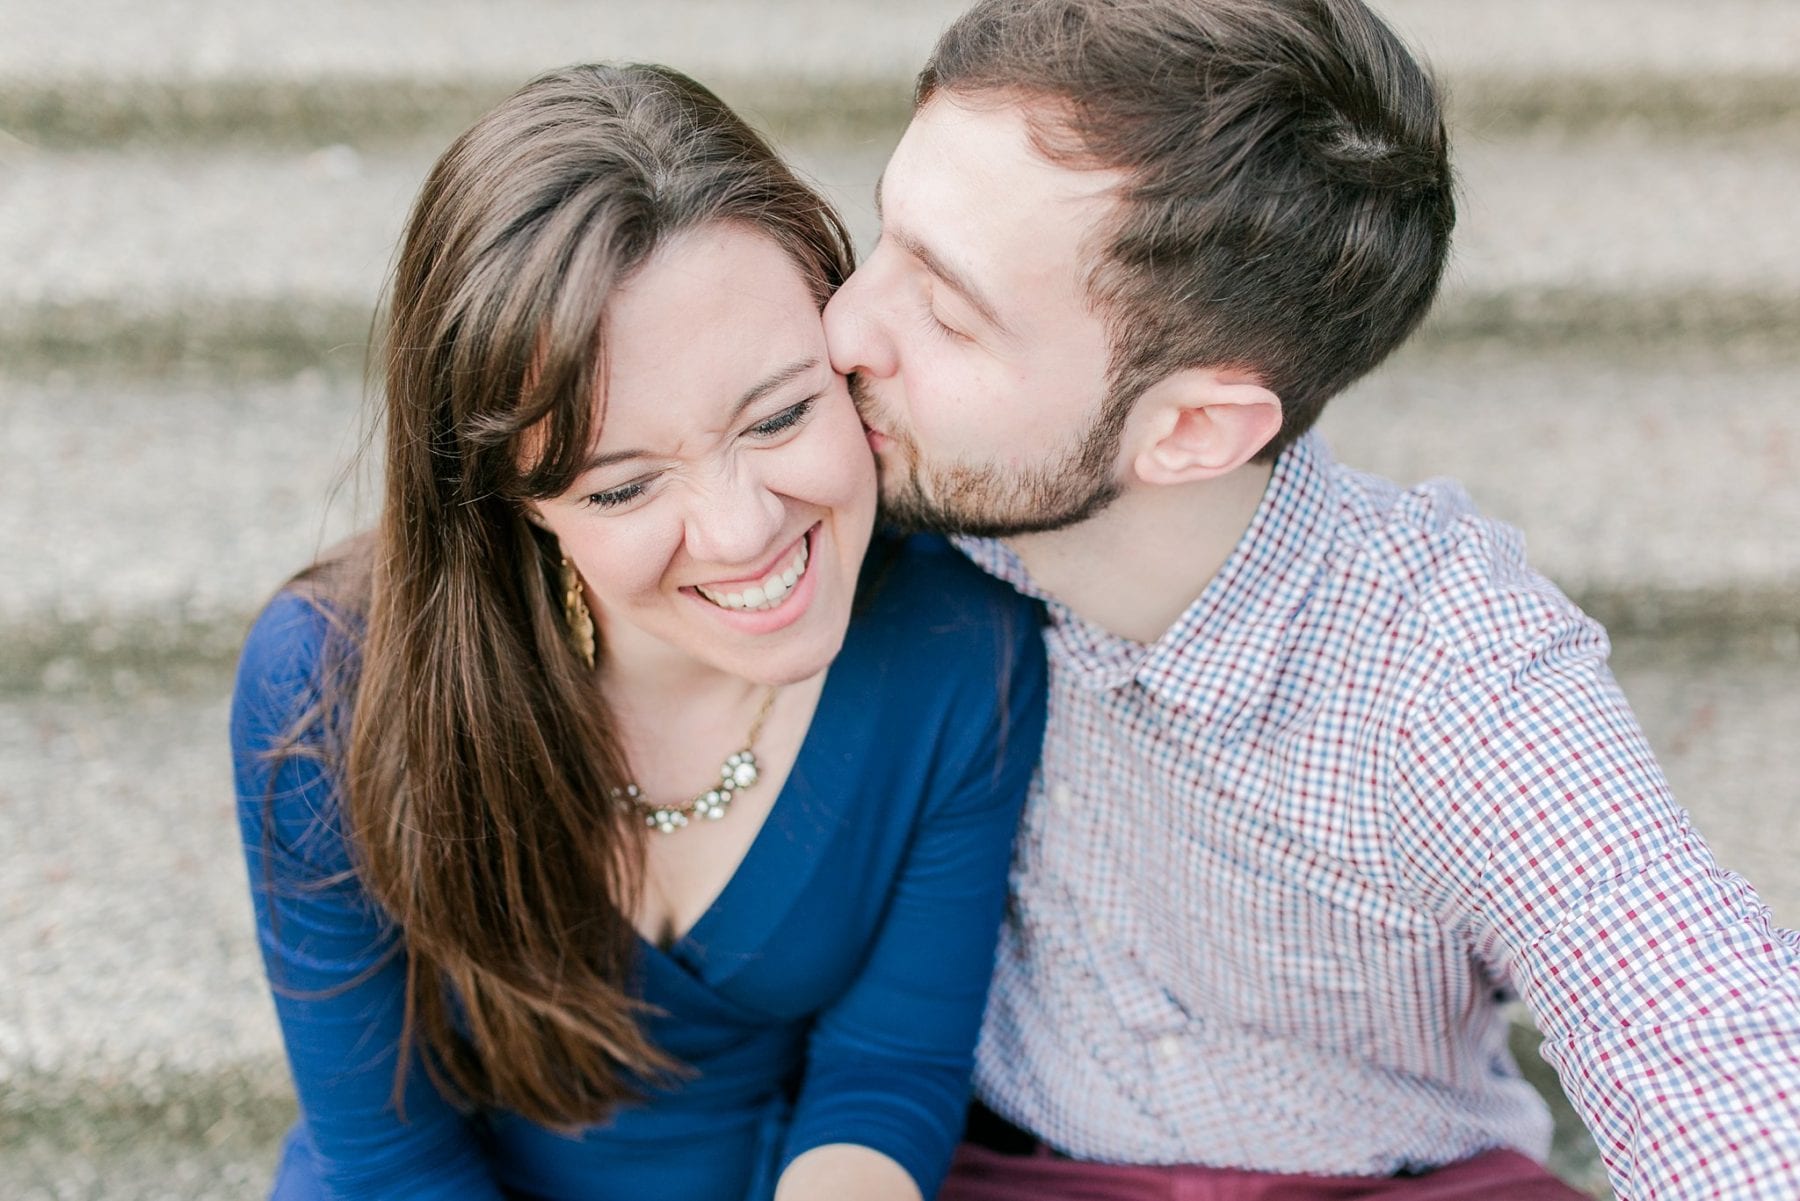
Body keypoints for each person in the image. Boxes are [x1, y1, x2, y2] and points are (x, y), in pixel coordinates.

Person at [821, 1, 1800, 1197]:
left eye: (946, 309)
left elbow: (1703, 1036)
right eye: (885, 239)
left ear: (1190, 430)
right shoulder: (896, 496)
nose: (841, 328)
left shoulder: (1448, 675)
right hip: (982, 1156)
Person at [229, 63, 1046, 1201]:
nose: (742, 531)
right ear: (510, 501)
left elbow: (886, 1077)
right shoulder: (324, 681)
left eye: (781, 414)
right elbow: (387, 1150)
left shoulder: (965, 649)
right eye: (621, 488)